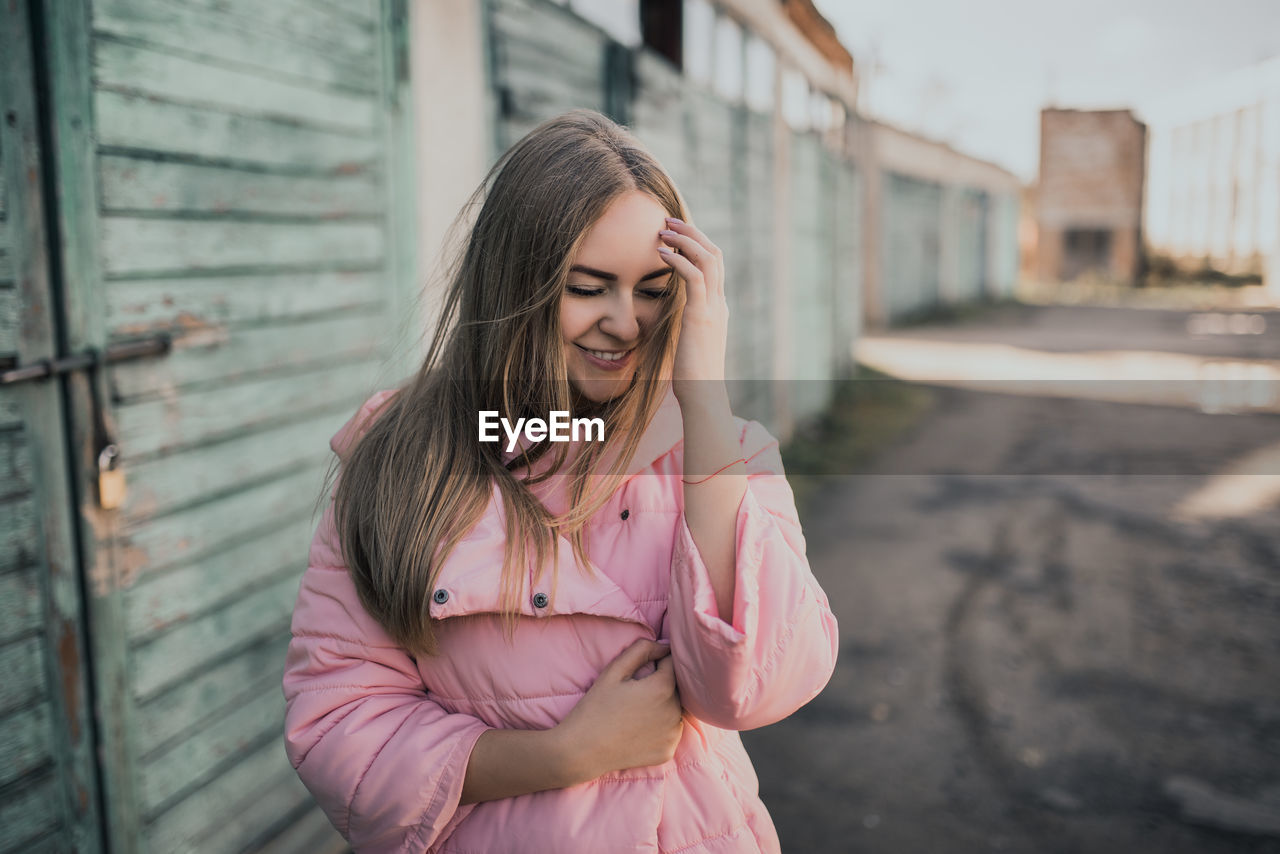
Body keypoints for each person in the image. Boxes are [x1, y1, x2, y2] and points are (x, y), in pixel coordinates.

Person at [282, 109, 839, 854]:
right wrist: (561, 757)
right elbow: (339, 725)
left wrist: (703, 396)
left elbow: (751, 686)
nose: (625, 323)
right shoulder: (402, 460)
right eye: (589, 287)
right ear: (515, 284)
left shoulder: (721, 451)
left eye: (652, 290)